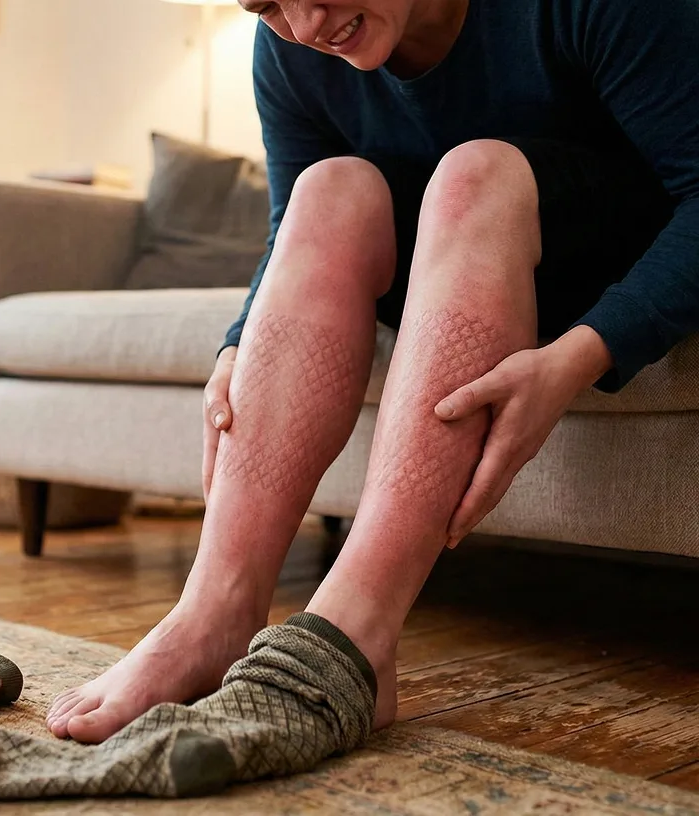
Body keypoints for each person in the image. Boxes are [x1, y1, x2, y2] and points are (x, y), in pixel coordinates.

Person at [46, 0, 699, 747]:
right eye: (266, 5)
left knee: (474, 170)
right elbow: (288, 223)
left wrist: (585, 350)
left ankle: (355, 629)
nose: (307, 22)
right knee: (330, 189)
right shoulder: (286, 52)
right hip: (448, 260)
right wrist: (237, 344)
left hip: (609, 254)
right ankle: (213, 613)